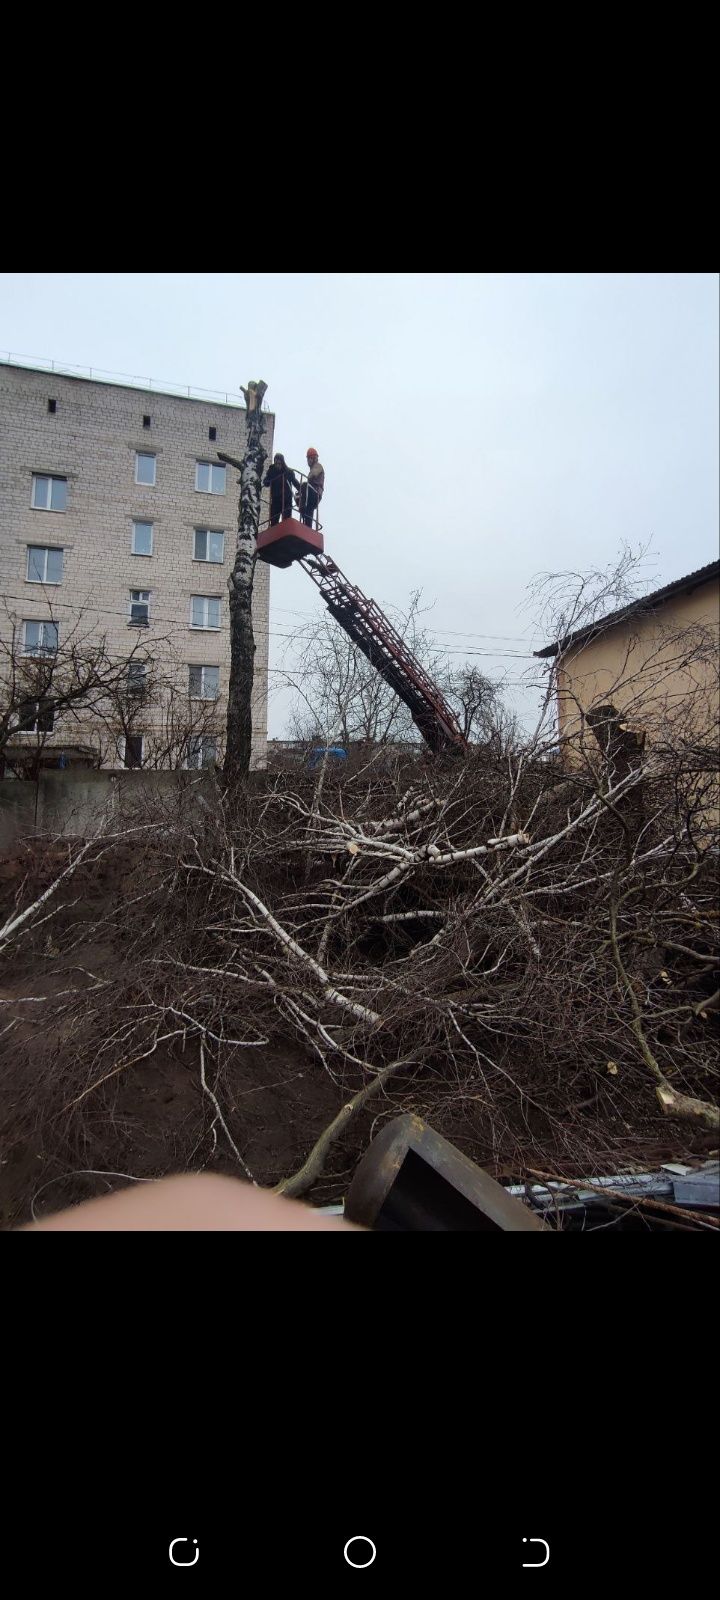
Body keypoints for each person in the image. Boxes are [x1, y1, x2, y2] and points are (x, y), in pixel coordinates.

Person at [263, 453, 300, 525]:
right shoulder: (271, 471)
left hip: (286, 500)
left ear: (282, 462)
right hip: (275, 500)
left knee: (287, 521)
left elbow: (295, 483)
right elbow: (266, 482)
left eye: (279, 463)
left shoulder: (288, 472)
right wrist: (268, 481)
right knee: (273, 521)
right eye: (276, 463)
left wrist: (302, 490)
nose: (278, 465)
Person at [298, 447, 325, 527]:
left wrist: (308, 477)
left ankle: (302, 507)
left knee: (304, 486)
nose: (308, 461)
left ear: (313, 458)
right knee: (309, 509)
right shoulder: (314, 467)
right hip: (312, 493)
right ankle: (307, 525)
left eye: (309, 459)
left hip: (315, 492)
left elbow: (313, 475)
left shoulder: (318, 466)